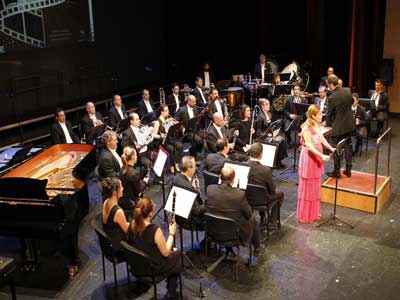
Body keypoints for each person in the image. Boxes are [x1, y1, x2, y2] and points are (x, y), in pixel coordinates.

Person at [127, 197, 182, 299]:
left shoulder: (131, 224)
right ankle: (172, 291)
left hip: (136, 266)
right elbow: (165, 253)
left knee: (172, 253)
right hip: (151, 269)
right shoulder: (154, 230)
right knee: (177, 254)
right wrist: (171, 233)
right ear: (150, 213)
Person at [206, 166, 263, 254]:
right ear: (233, 179)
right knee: (253, 219)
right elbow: (248, 214)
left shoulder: (210, 189)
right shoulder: (239, 195)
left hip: (213, 231)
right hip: (233, 235)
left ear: (220, 177)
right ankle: (257, 247)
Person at [297, 105, 335, 223]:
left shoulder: (317, 125)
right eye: (319, 114)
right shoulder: (306, 128)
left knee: (315, 184)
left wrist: (331, 148)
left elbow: (322, 138)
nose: (321, 115)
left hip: (316, 156)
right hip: (309, 158)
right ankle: (306, 214)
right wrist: (321, 155)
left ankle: (313, 212)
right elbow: (309, 145)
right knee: (308, 185)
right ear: (313, 116)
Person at [325, 74, 356, 178]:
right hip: (349, 124)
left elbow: (329, 114)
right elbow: (352, 102)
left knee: (336, 148)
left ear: (329, 84)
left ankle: (337, 171)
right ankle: (348, 170)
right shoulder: (347, 90)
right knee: (348, 146)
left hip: (338, 127)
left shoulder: (332, 97)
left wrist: (327, 125)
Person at [247, 142, 285, 224]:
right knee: (280, 194)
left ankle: (262, 216)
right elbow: (272, 189)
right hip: (262, 199)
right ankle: (272, 220)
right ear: (261, 155)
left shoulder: (243, 165)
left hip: (246, 198)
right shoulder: (265, 170)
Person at [255, 98, 288, 168]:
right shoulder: (260, 117)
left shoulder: (269, 114)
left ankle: (279, 160)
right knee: (277, 142)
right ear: (262, 106)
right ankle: (274, 162)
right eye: (266, 104)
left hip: (270, 134)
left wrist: (274, 131)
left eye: (269, 104)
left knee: (282, 140)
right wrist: (268, 134)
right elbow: (258, 132)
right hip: (263, 137)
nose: (268, 106)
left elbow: (271, 126)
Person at [101, 177, 129, 258]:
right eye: (121, 187)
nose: (123, 189)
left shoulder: (106, 202)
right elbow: (128, 231)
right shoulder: (118, 212)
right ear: (114, 192)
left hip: (109, 242)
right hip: (118, 248)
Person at [154, 104, 183, 172]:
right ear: (162, 112)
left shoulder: (169, 118)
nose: (168, 112)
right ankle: (172, 165)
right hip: (164, 141)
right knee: (172, 150)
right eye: (166, 111)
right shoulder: (157, 122)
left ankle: (176, 162)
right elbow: (154, 135)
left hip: (171, 139)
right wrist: (161, 136)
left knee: (180, 146)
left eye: (168, 110)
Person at [119, 146, 148, 215]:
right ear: (133, 157)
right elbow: (138, 191)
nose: (136, 156)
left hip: (123, 196)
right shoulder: (134, 173)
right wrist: (145, 182)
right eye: (135, 154)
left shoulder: (122, 168)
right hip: (131, 200)